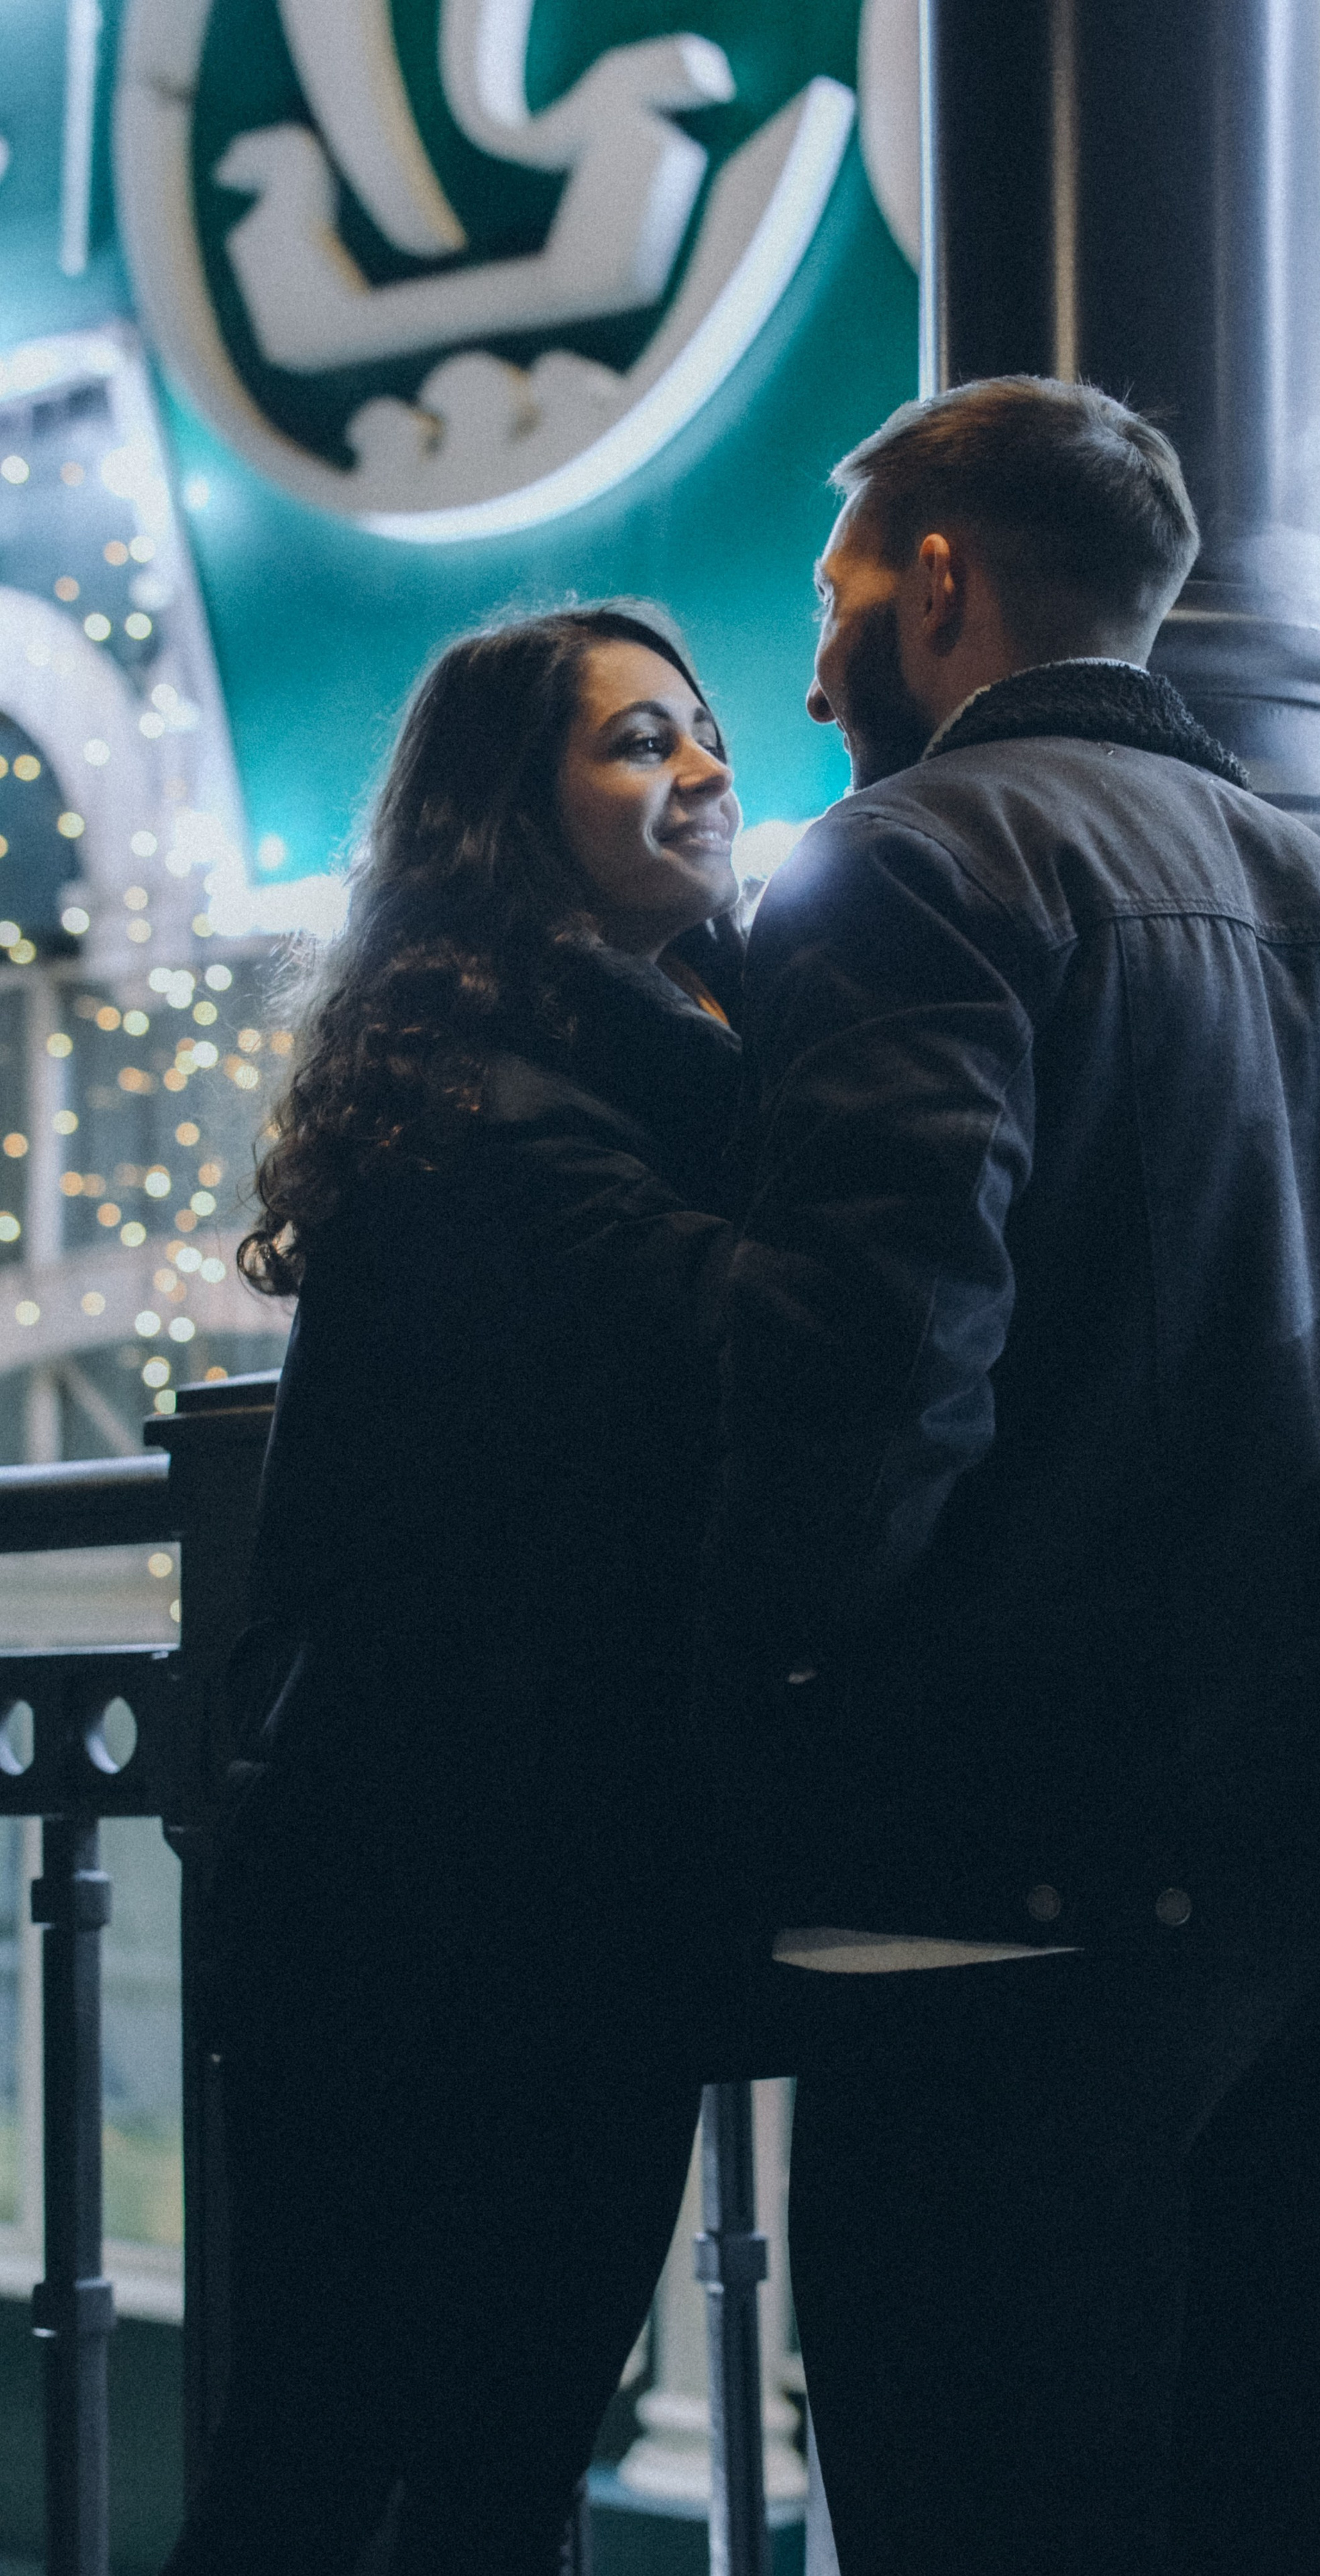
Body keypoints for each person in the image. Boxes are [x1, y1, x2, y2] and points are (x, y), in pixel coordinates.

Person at [704, 379, 1320, 2574]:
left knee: (993, 2510)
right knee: (1288, 2511)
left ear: (943, 581)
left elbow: (877, 1377)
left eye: (837, 591)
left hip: (999, 1897)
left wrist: (740, 1695)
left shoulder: (902, 867)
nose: (806, 670)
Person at [164, 604, 754, 2576]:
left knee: (431, 2461)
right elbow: (766, 1347)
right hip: (451, 1911)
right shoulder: (518, 1120)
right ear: (511, 815)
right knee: (374, 2463)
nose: (702, 765)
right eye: (634, 743)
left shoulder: (614, 1066)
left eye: (703, 730)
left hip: (496, 1892)